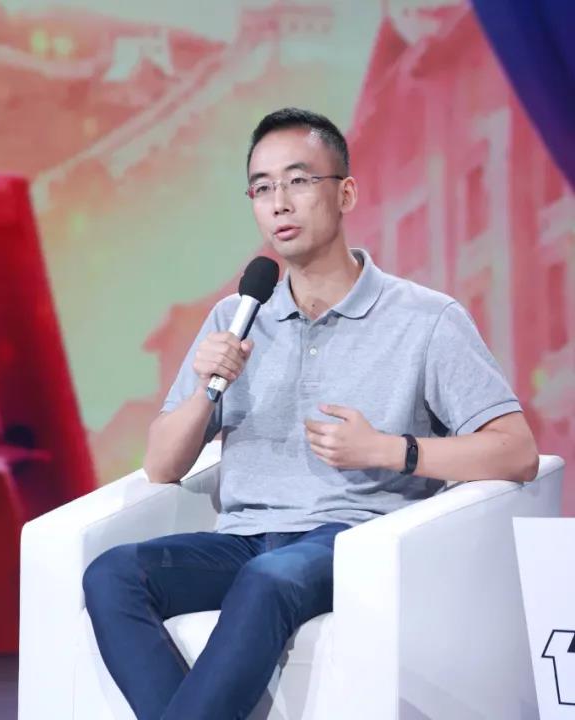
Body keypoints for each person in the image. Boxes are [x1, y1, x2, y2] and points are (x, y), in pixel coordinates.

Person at [82, 107, 539, 720]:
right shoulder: (236, 317)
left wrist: (388, 450)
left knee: (268, 579)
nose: (280, 203)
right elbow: (163, 466)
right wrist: (206, 390)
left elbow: (517, 451)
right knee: (113, 575)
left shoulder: (425, 318)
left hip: (352, 538)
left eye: (298, 181)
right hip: (243, 540)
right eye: (262, 188)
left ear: (345, 193)